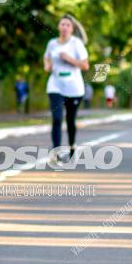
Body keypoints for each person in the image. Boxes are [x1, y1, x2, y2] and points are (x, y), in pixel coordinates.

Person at [43, 14, 89, 161]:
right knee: (57, 118)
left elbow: (85, 65)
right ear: (58, 27)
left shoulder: (77, 44)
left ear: (72, 28)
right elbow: (47, 57)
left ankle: (72, 145)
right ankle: (56, 152)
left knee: (70, 119)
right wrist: (47, 65)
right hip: (55, 85)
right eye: (62, 24)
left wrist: (68, 59)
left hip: (74, 88)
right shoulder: (52, 43)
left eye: (67, 25)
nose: (64, 27)